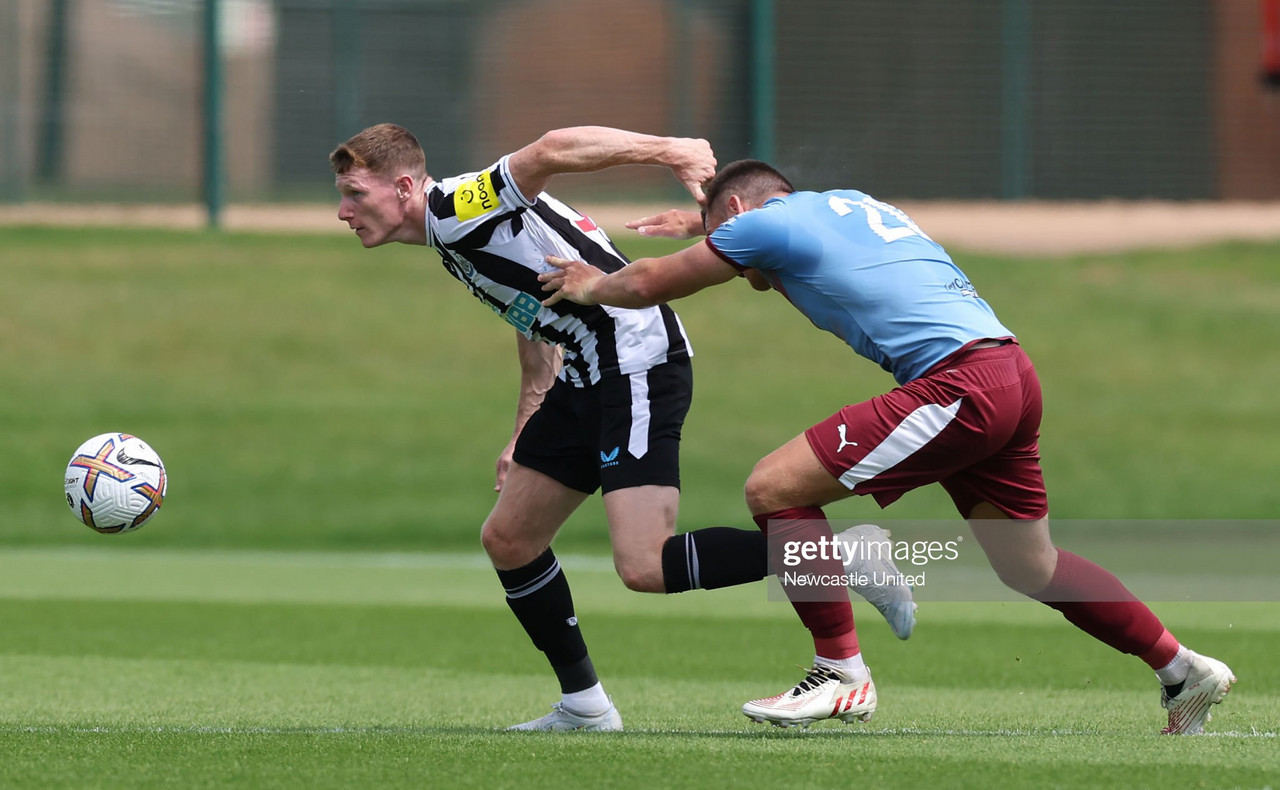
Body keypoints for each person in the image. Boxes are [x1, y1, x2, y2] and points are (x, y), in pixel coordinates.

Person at [539, 158, 1237, 734]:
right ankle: (1181, 669)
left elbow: (651, 281)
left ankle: (841, 673)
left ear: (740, 217)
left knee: (772, 488)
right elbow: (791, 232)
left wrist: (589, 283)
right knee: (1032, 567)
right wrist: (706, 223)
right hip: (1010, 372)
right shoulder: (840, 201)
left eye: (724, 240)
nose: (743, 273)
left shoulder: (762, 227)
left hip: (960, 384)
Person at [328, 128, 915, 732]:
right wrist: (525, 426)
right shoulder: (452, 236)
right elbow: (534, 312)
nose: (344, 211)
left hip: (634, 361)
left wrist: (670, 151)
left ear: (403, 187)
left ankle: (839, 552)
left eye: (353, 194)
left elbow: (550, 149)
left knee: (645, 567)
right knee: (510, 539)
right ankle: (585, 706)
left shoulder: (456, 207)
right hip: (586, 372)